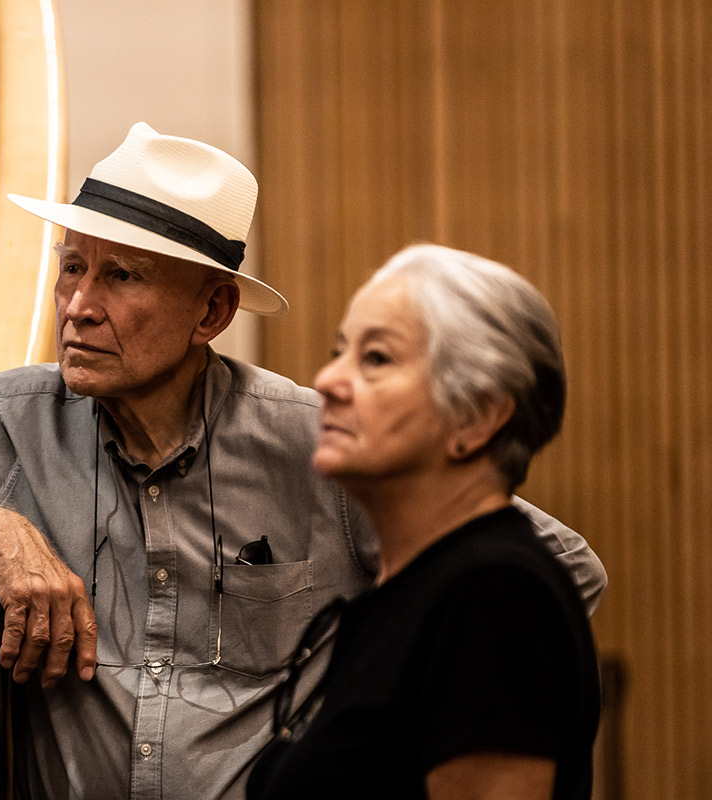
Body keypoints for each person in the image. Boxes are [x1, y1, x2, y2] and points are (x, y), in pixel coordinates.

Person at [0, 124, 605, 800]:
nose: (79, 308)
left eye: (121, 277)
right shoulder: (10, 420)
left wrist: (364, 696)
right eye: (73, 270)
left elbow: (558, 571)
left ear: (212, 311)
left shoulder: (321, 442)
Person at [246, 244, 602, 800]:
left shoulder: (493, 594)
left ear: (477, 416)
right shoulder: (405, 589)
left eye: (377, 359)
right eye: (340, 352)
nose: (329, 381)